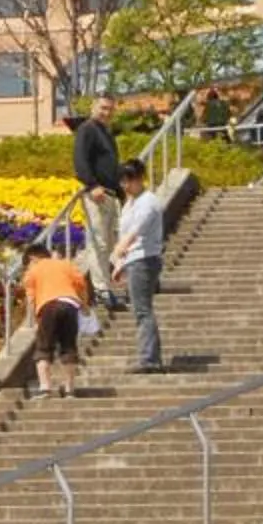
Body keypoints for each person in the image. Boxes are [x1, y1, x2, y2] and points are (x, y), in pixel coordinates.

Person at [18, 238, 95, 399]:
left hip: (48, 305)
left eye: (27, 264)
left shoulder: (33, 271)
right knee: (69, 346)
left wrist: (35, 323)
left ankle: (45, 388)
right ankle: (69, 389)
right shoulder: (64, 264)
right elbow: (81, 283)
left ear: (33, 258)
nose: (27, 267)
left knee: (44, 347)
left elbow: (31, 300)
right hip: (70, 304)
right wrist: (84, 305)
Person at [110, 156, 166, 373]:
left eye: (129, 181)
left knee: (142, 310)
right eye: (122, 181)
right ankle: (150, 357)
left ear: (140, 178)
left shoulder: (149, 201)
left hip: (145, 258)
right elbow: (124, 232)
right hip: (133, 259)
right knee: (140, 309)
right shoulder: (129, 203)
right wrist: (119, 264)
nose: (125, 186)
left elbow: (136, 231)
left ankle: (150, 359)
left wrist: (121, 248)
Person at [69, 101, 124, 296]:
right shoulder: (87, 129)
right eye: (103, 108)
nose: (106, 113)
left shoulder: (106, 133)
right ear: (93, 108)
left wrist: (120, 191)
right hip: (97, 194)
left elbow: (111, 165)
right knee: (98, 242)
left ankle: (107, 285)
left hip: (110, 193)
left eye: (110, 109)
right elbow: (80, 159)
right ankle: (101, 288)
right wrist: (91, 185)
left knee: (109, 243)